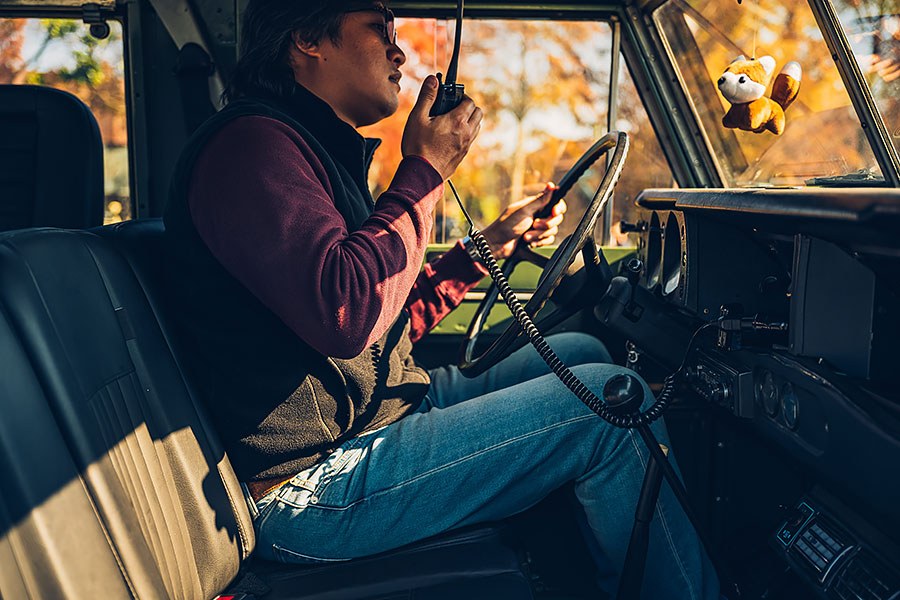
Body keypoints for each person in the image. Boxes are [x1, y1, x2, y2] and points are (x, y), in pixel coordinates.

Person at [163, 1, 719, 597]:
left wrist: (490, 247)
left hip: (378, 412)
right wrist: (424, 170)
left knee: (580, 348)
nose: (399, 52)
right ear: (307, 39)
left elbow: (381, 322)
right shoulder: (251, 148)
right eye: (379, 31)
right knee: (612, 405)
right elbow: (346, 313)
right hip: (310, 487)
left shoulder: (308, 150)